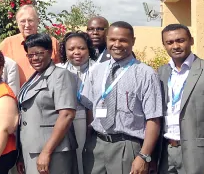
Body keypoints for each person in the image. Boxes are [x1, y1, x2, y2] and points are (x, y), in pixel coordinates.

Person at [83, 21, 163, 174]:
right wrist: (88, 141)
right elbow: (89, 109)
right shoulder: (96, 70)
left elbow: (153, 120)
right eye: (112, 39)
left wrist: (144, 155)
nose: (117, 44)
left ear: (133, 41)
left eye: (123, 40)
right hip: (96, 145)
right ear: (107, 40)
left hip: (127, 147)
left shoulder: (145, 74)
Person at [157, 24, 204, 174]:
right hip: (165, 154)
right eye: (170, 42)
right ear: (164, 45)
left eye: (180, 40)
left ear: (191, 40)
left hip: (198, 157)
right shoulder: (161, 72)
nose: (175, 46)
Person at [17, 33, 78, 174]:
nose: (35, 58)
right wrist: (21, 154)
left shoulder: (60, 75)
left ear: (50, 52)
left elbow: (67, 115)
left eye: (39, 53)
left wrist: (46, 151)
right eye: (30, 55)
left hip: (52, 150)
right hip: (31, 150)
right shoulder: (33, 78)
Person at [56, 31, 98, 174]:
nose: (76, 52)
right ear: (65, 51)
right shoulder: (58, 70)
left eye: (81, 48)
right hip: (64, 120)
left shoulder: (99, 69)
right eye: (71, 49)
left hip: (91, 121)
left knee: (86, 161)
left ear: (89, 49)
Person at [0, 5, 61, 87]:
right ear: (17, 23)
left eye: (30, 20)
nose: (27, 25)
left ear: (38, 21)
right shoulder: (7, 44)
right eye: (23, 21)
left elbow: (59, 70)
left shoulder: (52, 42)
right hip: (16, 96)